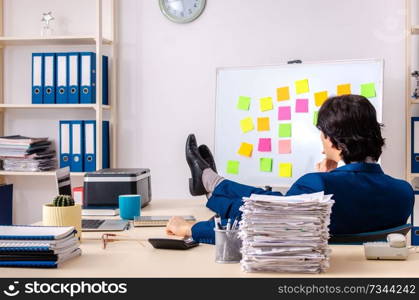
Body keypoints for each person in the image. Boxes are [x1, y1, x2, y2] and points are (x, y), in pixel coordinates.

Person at [166, 94, 415, 244]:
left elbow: (255, 225)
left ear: (333, 140)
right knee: (273, 200)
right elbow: (355, 211)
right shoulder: (403, 193)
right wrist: (330, 178)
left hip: (306, 273)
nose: (321, 139)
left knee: (264, 204)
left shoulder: (318, 185)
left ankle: (212, 184)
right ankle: (212, 183)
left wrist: (190, 229)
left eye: (322, 133)